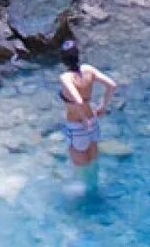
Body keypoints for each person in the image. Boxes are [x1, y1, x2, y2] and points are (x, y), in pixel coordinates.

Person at [58, 40, 120, 197]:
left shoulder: (66, 78)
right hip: (93, 121)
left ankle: (84, 195)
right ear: (78, 55)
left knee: (80, 164)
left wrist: (83, 118)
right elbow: (112, 85)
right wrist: (102, 107)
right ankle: (94, 190)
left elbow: (78, 100)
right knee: (92, 161)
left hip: (77, 125)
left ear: (63, 59)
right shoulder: (88, 70)